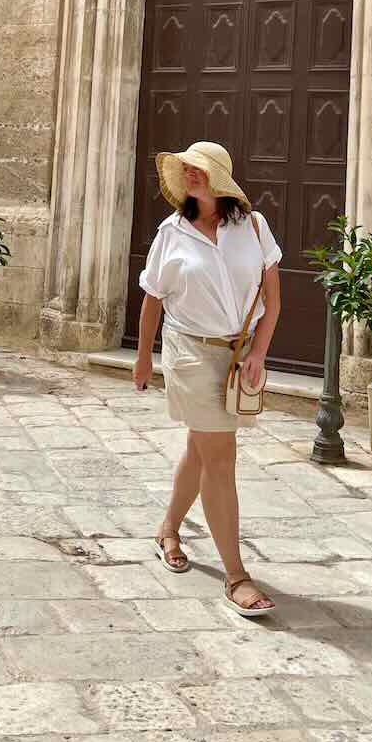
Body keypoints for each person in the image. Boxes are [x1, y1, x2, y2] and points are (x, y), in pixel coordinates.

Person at [134, 141, 282, 617]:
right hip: (189, 354)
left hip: (236, 356)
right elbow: (153, 299)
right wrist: (142, 359)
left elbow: (273, 301)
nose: (190, 174)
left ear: (220, 177)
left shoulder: (253, 227)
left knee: (201, 450)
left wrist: (258, 352)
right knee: (220, 457)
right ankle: (237, 576)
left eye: (199, 168)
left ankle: (168, 530)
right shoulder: (171, 232)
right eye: (185, 168)